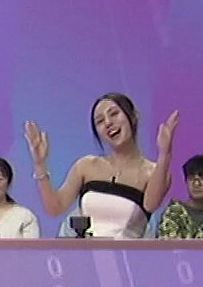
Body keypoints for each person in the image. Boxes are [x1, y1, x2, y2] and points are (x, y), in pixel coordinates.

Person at [24, 93, 178, 240]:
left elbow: (150, 205)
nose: (108, 123)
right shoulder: (86, 166)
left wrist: (165, 154)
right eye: (100, 121)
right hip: (86, 255)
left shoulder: (152, 172)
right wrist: (39, 164)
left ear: (132, 116)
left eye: (114, 114)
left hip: (127, 255)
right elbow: (55, 208)